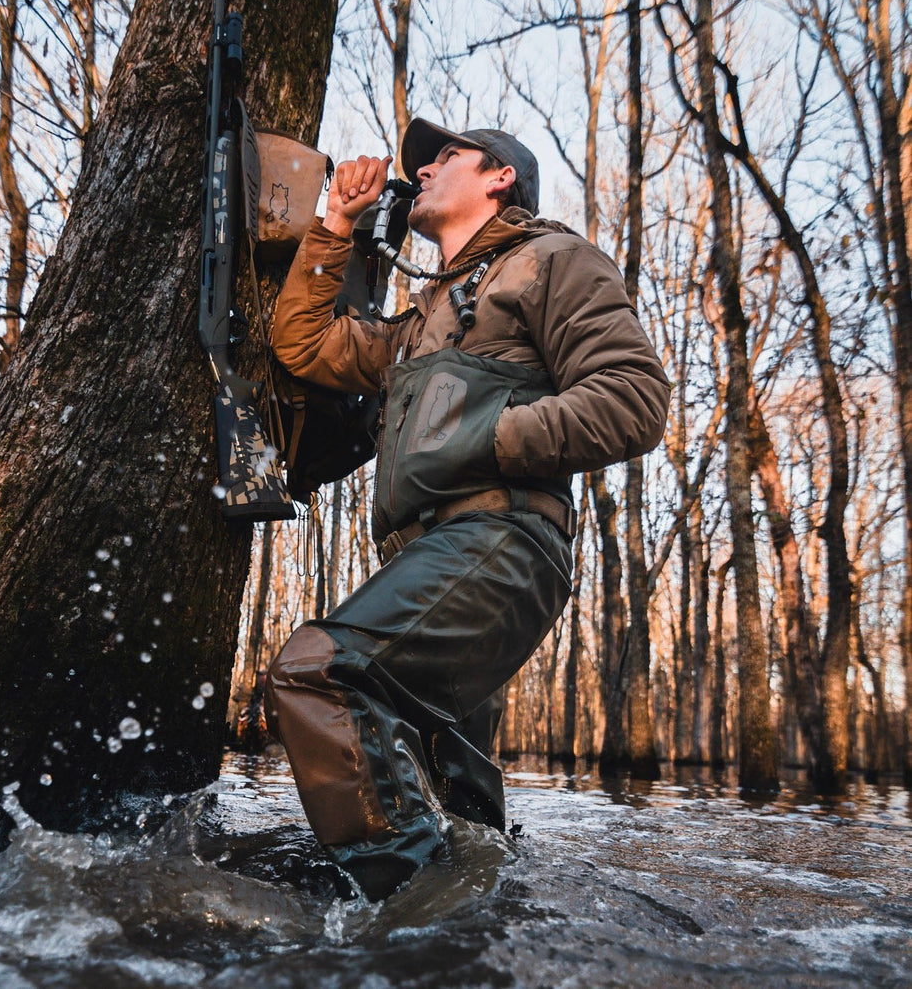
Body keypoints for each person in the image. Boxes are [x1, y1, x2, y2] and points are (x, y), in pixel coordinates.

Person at [264, 117, 670, 900]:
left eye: (446, 156)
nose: (424, 169)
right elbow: (302, 343)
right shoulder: (422, 321)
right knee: (458, 799)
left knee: (320, 673)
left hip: (500, 543)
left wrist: (493, 437)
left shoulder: (552, 261)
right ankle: (466, 941)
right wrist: (336, 225)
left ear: (499, 178)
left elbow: (635, 400)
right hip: (432, 562)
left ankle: (406, 920)